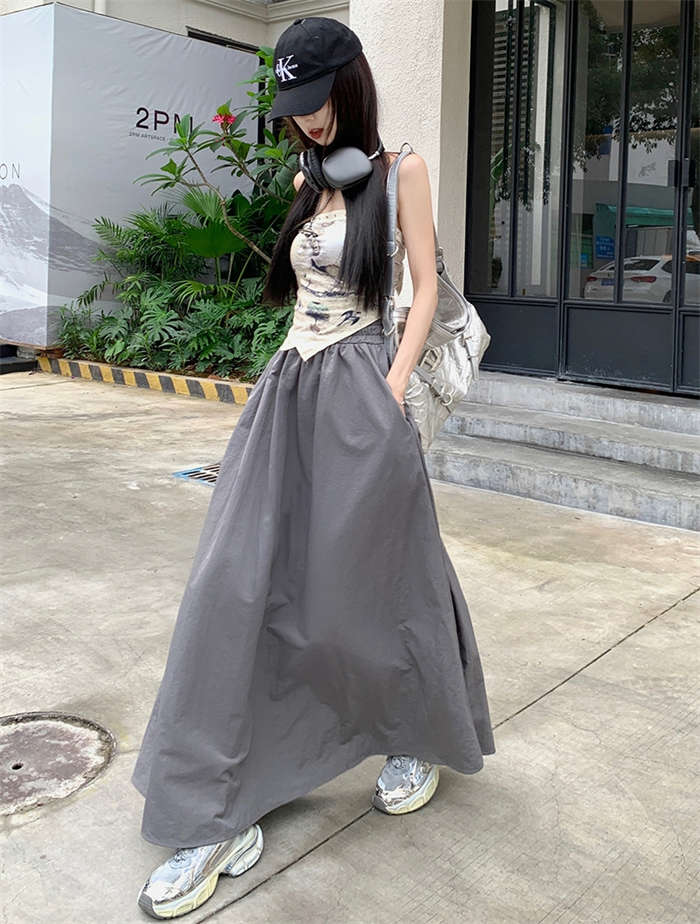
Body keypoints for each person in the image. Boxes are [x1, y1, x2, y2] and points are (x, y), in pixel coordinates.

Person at [131, 15, 496, 920]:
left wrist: (393, 388)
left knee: (381, 580)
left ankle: (415, 732)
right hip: (289, 392)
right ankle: (219, 797)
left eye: (318, 98)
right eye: (295, 106)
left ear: (353, 81)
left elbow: (424, 288)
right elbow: (304, 294)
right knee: (237, 581)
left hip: (364, 394)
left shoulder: (402, 170)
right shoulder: (307, 177)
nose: (308, 119)